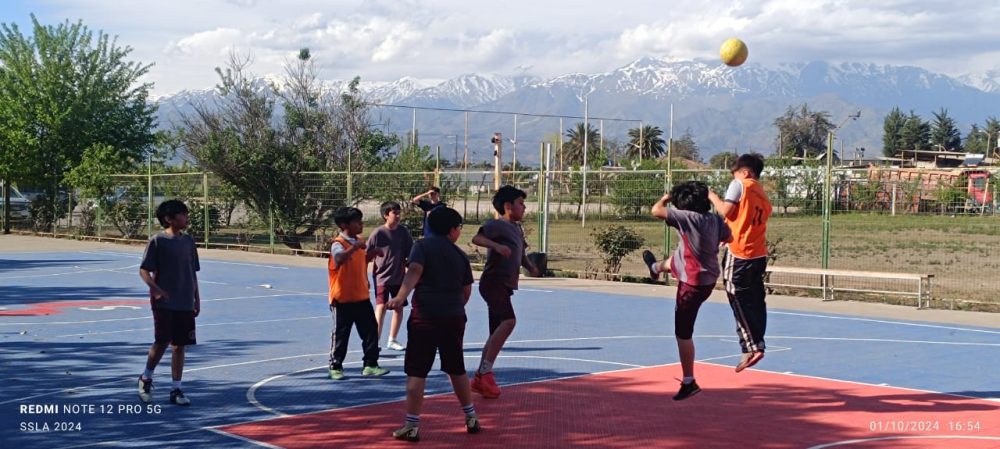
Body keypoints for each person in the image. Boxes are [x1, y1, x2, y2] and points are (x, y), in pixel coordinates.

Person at [386, 207, 480, 442]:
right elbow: (466, 291)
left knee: (417, 370)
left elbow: (414, 271)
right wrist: (455, 306)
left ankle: (412, 424)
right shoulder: (460, 255)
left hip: (425, 317)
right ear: (452, 230)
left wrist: (399, 297)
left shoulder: (422, 246)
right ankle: (471, 416)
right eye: (459, 228)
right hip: (454, 317)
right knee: (456, 367)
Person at [641, 182, 732, 400]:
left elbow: (655, 211)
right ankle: (655, 268)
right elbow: (728, 237)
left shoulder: (687, 217)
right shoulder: (715, 220)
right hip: (709, 276)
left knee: (683, 333)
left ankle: (689, 380)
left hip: (692, 283)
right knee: (681, 255)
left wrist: (664, 199)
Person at [470, 185, 540, 399]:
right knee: (509, 321)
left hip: (504, 285)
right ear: (508, 206)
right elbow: (477, 239)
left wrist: (532, 267)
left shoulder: (517, 229)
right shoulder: (497, 225)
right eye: (521, 203)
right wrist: (496, 247)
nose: (525, 207)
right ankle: (485, 372)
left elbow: (521, 254)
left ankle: (481, 379)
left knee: (495, 334)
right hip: (493, 283)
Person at [708, 153, 773, 373]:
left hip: (740, 252)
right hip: (758, 253)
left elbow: (725, 210)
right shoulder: (762, 193)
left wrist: (712, 196)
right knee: (756, 299)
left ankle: (750, 347)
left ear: (745, 172)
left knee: (736, 296)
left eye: (735, 173)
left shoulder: (740, 184)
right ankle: (759, 342)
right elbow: (740, 216)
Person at [137, 200, 201, 406]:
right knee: (162, 341)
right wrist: (156, 289)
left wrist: (196, 298)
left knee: (179, 345)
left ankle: (176, 388)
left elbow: (193, 272)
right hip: (164, 302)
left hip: (185, 301)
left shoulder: (189, 242)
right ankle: (146, 377)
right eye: (182, 214)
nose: (186, 218)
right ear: (169, 219)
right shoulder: (158, 241)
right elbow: (144, 270)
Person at [327, 207, 390, 380]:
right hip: (342, 298)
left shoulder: (359, 241)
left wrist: (371, 254)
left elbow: (359, 261)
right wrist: (355, 247)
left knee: (370, 331)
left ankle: (370, 364)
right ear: (344, 225)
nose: (361, 224)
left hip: (361, 296)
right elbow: (340, 259)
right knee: (341, 334)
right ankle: (335, 366)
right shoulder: (338, 243)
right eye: (357, 222)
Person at [367, 201, 414, 351]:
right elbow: (366, 254)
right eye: (395, 212)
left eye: (399, 212)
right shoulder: (378, 233)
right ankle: (375, 341)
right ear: (386, 215)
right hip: (381, 277)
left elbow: (410, 253)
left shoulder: (403, 232)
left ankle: (392, 339)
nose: (398, 215)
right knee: (380, 307)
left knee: (398, 307)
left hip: (398, 277)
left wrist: (409, 265)